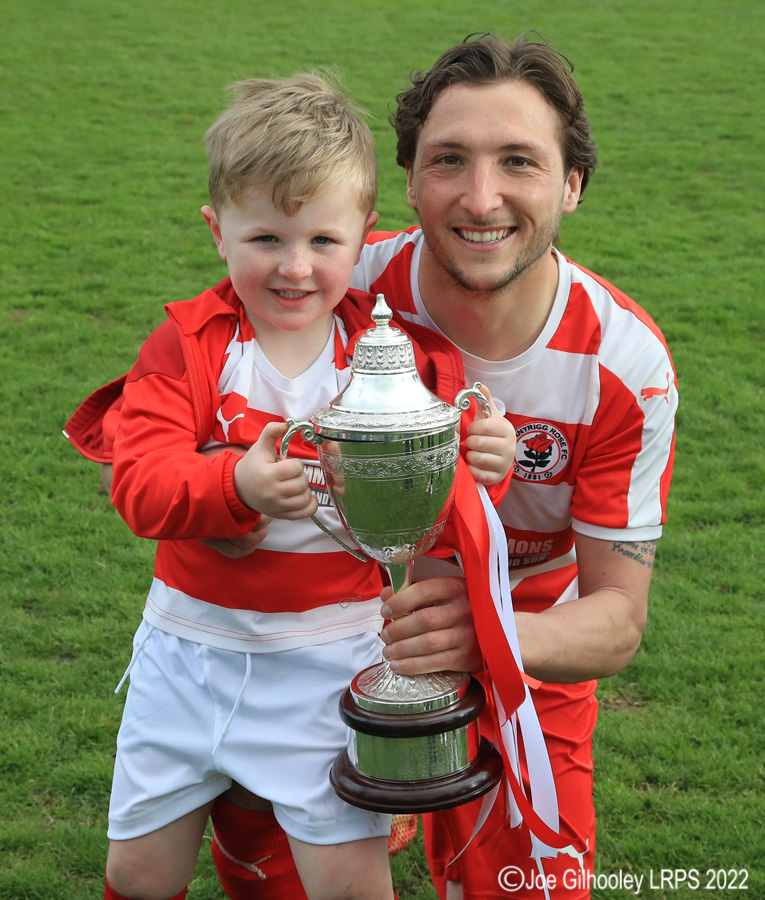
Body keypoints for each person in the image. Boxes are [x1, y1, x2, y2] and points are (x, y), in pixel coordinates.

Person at [64, 72, 516, 900]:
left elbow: (433, 505)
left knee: (346, 882)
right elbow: (138, 483)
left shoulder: (397, 359)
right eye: (265, 238)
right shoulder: (189, 346)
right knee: (136, 871)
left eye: (322, 241)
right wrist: (233, 482)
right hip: (186, 654)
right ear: (217, 230)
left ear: (362, 236)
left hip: (326, 661)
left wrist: (486, 453)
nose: (294, 268)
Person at [347, 32, 678, 900]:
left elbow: (615, 617)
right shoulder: (339, 293)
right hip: (334, 626)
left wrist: (483, 638)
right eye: (448, 160)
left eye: (519, 162)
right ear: (410, 180)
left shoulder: (624, 366)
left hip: (528, 633)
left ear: (571, 184)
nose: (480, 197)